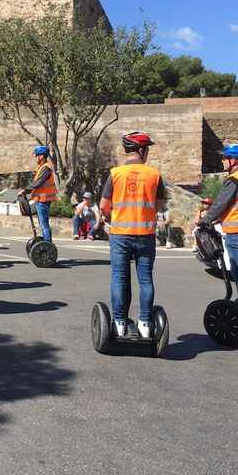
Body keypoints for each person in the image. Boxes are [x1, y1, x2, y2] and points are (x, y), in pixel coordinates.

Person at [100, 132, 167, 338]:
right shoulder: (154, 175)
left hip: (120, 235)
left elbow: (104, 206)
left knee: (119, 278)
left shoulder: (115, 174)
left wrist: (111, 218)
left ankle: (119, 322)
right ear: (141, 150)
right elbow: (159, 204)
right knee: (145, 280)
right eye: (147, 149)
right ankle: (145, 324)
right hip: (145, 235)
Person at [198, 144, 238, 324]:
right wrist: (220, 215)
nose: (222, 161)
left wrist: (206, 219)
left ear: (234, 160)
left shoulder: (236, 179)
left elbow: (221, 204)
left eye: (225, 158)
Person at [20, 146, 57, 242]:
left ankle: (48, 244)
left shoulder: (46, 168)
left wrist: (26, 190)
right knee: (42, 224)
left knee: (44, 224)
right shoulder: (42, 167)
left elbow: (39, 182)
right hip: (40, 199)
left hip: (43, 199)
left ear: (42, 156)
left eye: (37, 155)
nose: (36, 158)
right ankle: (46, 243)